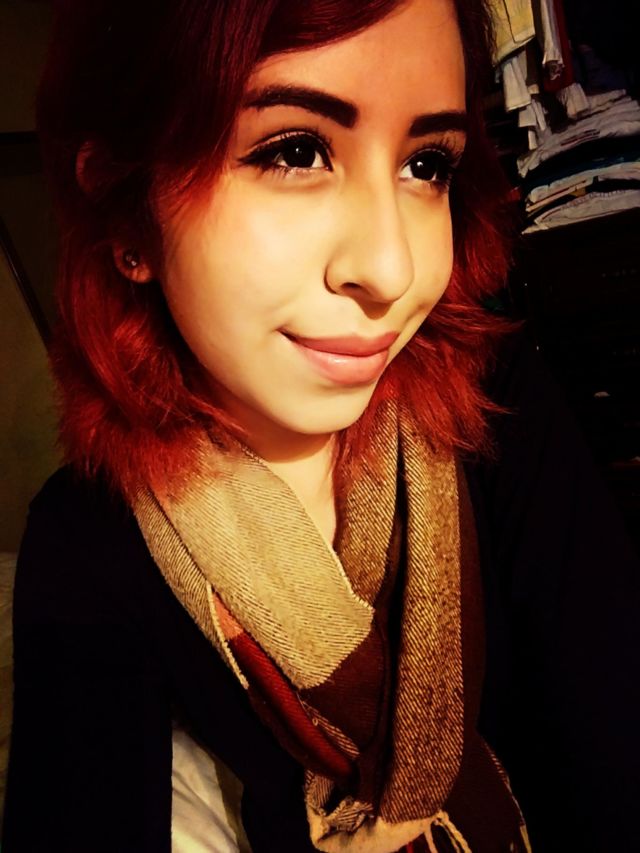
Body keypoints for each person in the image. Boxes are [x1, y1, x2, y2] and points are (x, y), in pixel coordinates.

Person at [3, 0, 639, 850]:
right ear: (128, 215)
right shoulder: (90, 541)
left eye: (426, 165)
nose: (391, 268)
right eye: (294, 151)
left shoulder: (495, 403)